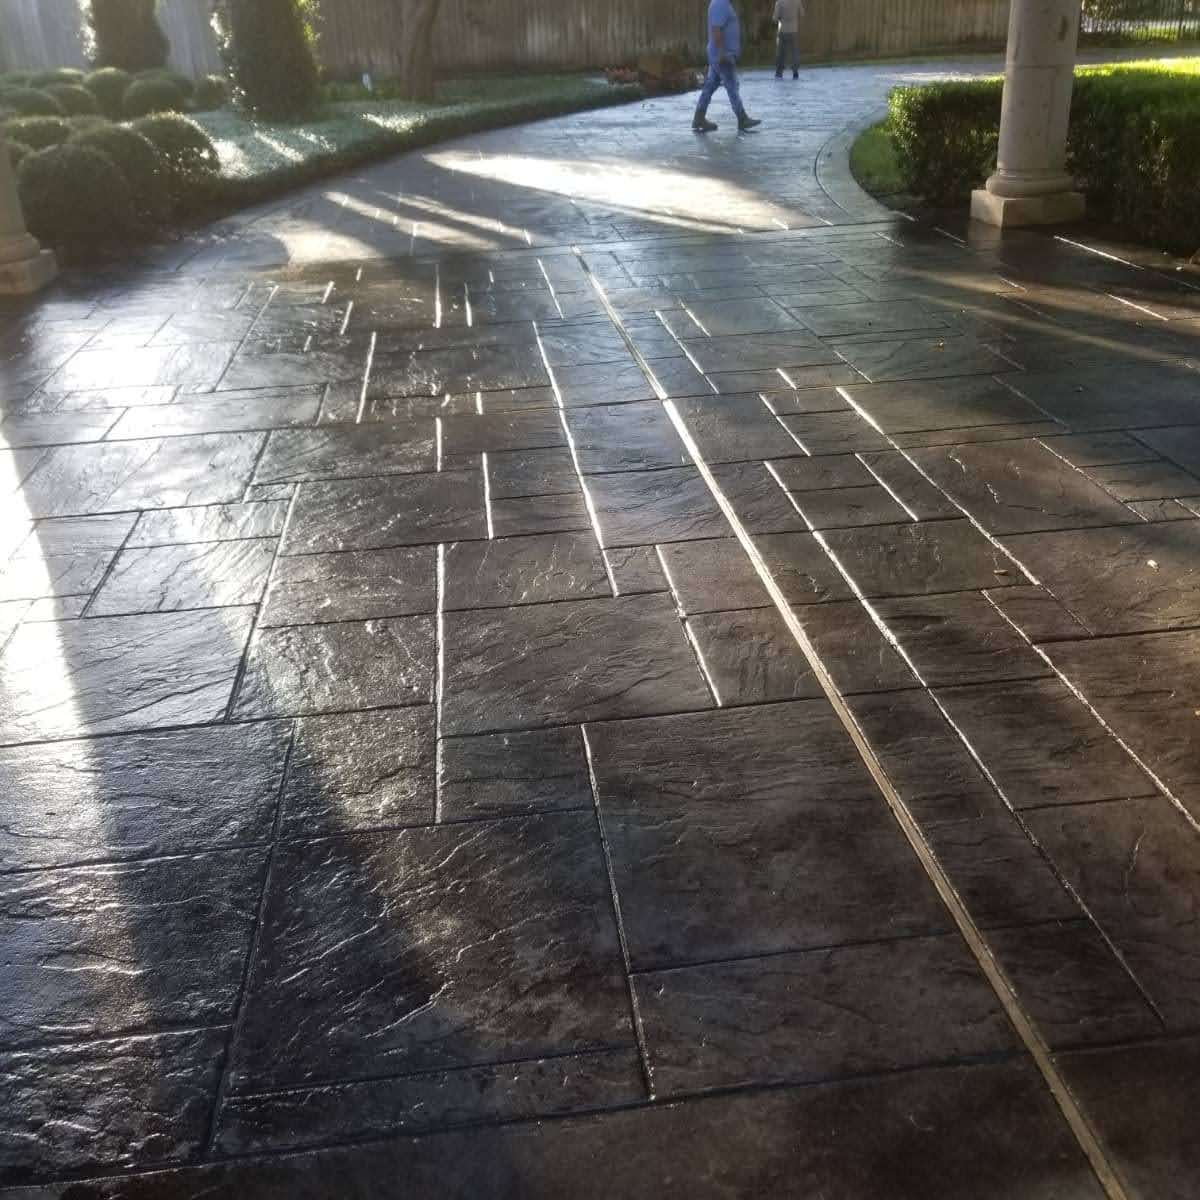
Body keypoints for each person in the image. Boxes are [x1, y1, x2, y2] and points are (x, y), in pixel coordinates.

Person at [692, 0, 761, 133]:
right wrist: (722, 53)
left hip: (719, 54)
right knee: (732, 86)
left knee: (710, 85)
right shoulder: (720, 3)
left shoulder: (721, 3)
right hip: (722, 56)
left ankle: (699, 118)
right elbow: (716, 29)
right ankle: (742, 118)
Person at [774, 0, 804, 80]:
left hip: (783, 30)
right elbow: (802, 13)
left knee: (781, 53)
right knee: (794, 52)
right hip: (794, 30)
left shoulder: (779, 2)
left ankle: (779, 72)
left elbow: (775, 18)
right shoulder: (797, 1)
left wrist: (780, 18)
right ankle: (795, 72)